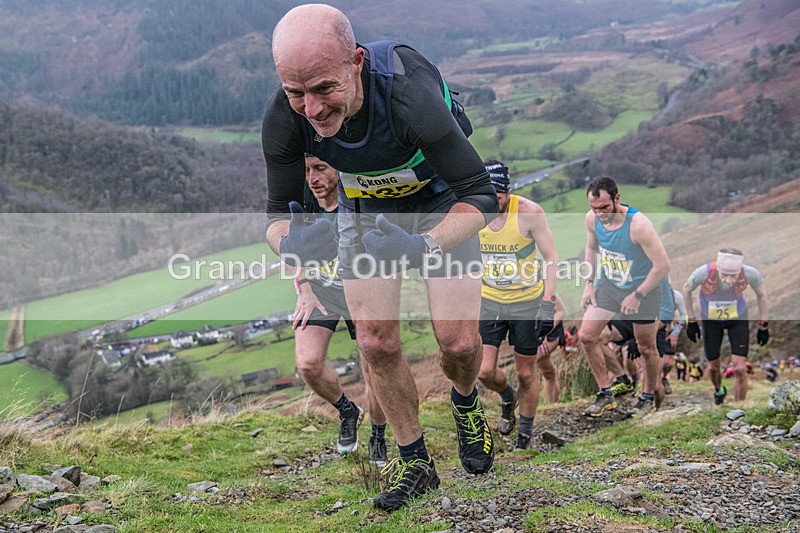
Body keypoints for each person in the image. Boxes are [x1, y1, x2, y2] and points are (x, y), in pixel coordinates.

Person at [263, 4, 499, 511]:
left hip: (441, 203)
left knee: (457, 345)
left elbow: (481, 195)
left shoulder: (408, 95)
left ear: (356, 62)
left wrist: (424, 245)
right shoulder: (285, 117)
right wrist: (290, 244)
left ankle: (465, 403)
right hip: (367, 209)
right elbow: (275, 218)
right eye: (295, 92)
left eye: (325, 88)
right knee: (374, 340)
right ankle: (415, 461)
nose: (312, 109)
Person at [292, 155, 388, 464]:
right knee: (308, 364)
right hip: (320, 292)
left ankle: (378, 434)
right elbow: (293, 247)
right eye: (307, 171)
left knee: (374, 372)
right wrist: (305, 288)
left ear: (338, 169)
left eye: (320, 169)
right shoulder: (304, 202)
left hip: (360, 293)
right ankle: (348, 410)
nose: (312, 178)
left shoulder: (359, 201)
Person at [476, 160, 558, 450]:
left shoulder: (530, 213)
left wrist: (548, 303)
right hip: (489, 301)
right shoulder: (474, 211)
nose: (491, 201)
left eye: (497, 196)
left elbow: (551, 258)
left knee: (526, 372)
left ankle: (524, 435)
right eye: (487, 195)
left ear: (508, 192)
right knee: (484, 372)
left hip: (526, 302)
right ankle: (508, 397)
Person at [578, 176, 671, 418]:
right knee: (586, 336)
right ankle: (605, 392)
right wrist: (588, 285)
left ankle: (647, 396)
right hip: (610, 285)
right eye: (594, 208)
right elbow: (591, 248)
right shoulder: (592, 219)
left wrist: (638, 295)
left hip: (644, 288)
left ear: (616, 199)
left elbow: (662, 266)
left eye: (604, 208)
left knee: (646, 347)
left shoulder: (638, 225)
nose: (599, 213)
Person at [682, 248, 768, 404]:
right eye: (724, 276)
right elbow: (686, 289)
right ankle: (719, 390)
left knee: (740, 368)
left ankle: (739, 407)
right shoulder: (703, 273)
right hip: (711, 320)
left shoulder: (750, 273)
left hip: (737, 318)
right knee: (713, 367)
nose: (728, 280)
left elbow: (762, 294)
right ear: (718, 269)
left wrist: (764, 325)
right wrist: (691, 321)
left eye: (733, 276)